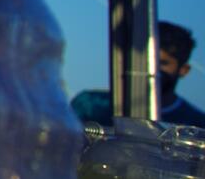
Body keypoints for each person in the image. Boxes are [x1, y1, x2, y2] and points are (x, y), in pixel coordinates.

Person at [72, 20, 205, 128]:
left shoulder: (197, 124)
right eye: (145, 60)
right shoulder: (90, 105)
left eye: (163, 63)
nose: (152, 70)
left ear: (184, 70)